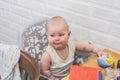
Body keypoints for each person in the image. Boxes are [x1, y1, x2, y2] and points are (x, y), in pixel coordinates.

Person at [40, 16, 107, 80]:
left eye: (60, 35)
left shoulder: (71, 44)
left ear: (68, 35)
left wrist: (98, 51)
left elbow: (84, 47)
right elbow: (44, 71)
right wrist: (53, 78)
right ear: (47, 36)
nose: (56, 38)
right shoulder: (47, 55)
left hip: (72, 75)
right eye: (52, 35)